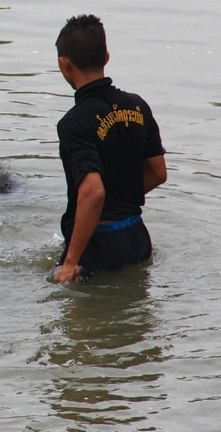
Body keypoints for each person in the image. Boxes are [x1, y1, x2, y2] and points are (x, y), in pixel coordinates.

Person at [52, 15, 167, 284]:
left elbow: (93, 192)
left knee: (80, 321)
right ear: (106, 56)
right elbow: (158, 173)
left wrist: (70, 262)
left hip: (98, 245)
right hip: (137, 237)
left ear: (64, 64)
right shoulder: (137, 106)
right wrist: (121, 197)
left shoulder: (73, 123)